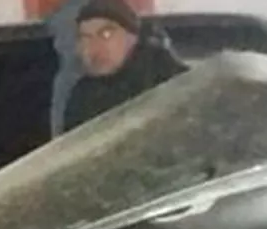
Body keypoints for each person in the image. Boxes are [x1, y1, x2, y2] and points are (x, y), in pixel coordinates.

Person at [59, 0, 186, 133]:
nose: (94, 48)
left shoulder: (166, 80)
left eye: (106, 34)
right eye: (85, 38)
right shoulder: (82, 96)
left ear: (133, 37)